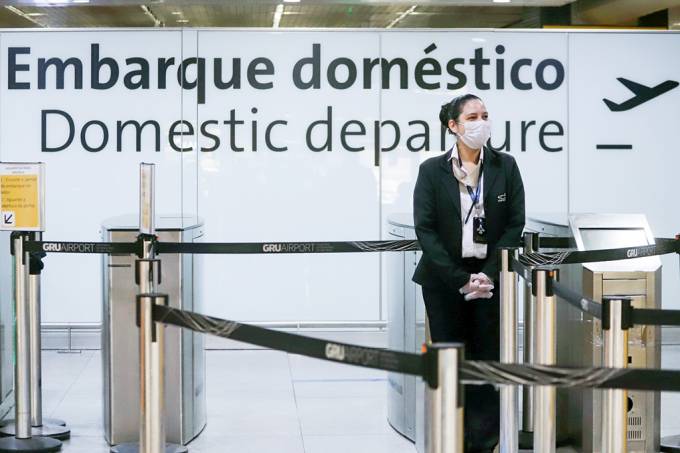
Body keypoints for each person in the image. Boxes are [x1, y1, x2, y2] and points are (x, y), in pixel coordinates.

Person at [412, 94, 525, 453]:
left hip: (492, 279)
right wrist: (461, 279)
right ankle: (450, 439)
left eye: (485, 115)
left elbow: (514, 225)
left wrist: (488, 274)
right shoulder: (431, 170)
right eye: (472, 116)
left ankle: (483, 443)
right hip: (445, 281)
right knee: (450, 363)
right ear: (453, 126)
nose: (481, 122)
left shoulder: (505, 166)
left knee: (486, 365)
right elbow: (425, 229)